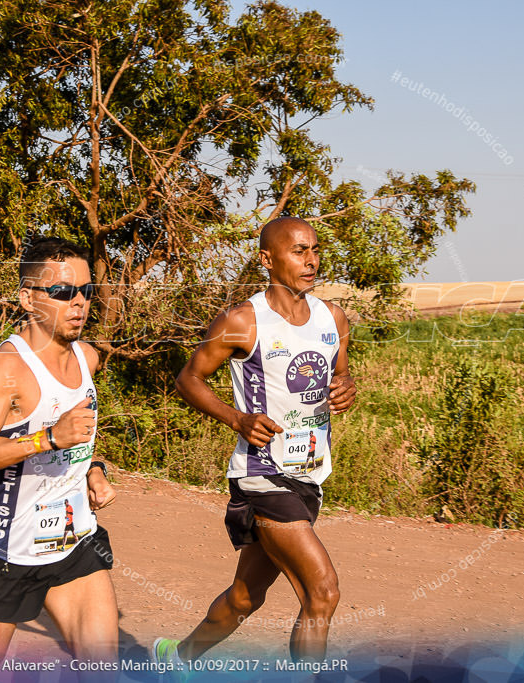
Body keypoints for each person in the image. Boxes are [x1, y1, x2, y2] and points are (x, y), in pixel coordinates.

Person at [152, 216, 357, 666]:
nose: (311, 259)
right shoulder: (243, 320)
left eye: (315, 249)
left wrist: (346, 386)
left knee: (245, 598)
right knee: (322, 591)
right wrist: (237, 418)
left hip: (309, 475)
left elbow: (340, 375)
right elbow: (189, 378)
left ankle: (176, 659)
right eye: (298, 250)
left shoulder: (332, 317)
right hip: (262, 475)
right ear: (267, 259)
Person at [0, 237, 119, 664]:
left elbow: (79, 436)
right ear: (28, 298)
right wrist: (48, 438)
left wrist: (93, 468)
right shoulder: (7, 367)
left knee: (102, 670)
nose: (78, 302)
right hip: (7, 550)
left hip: (73, 542)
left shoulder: (88, 358)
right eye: (62, 292)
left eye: (86, 291)